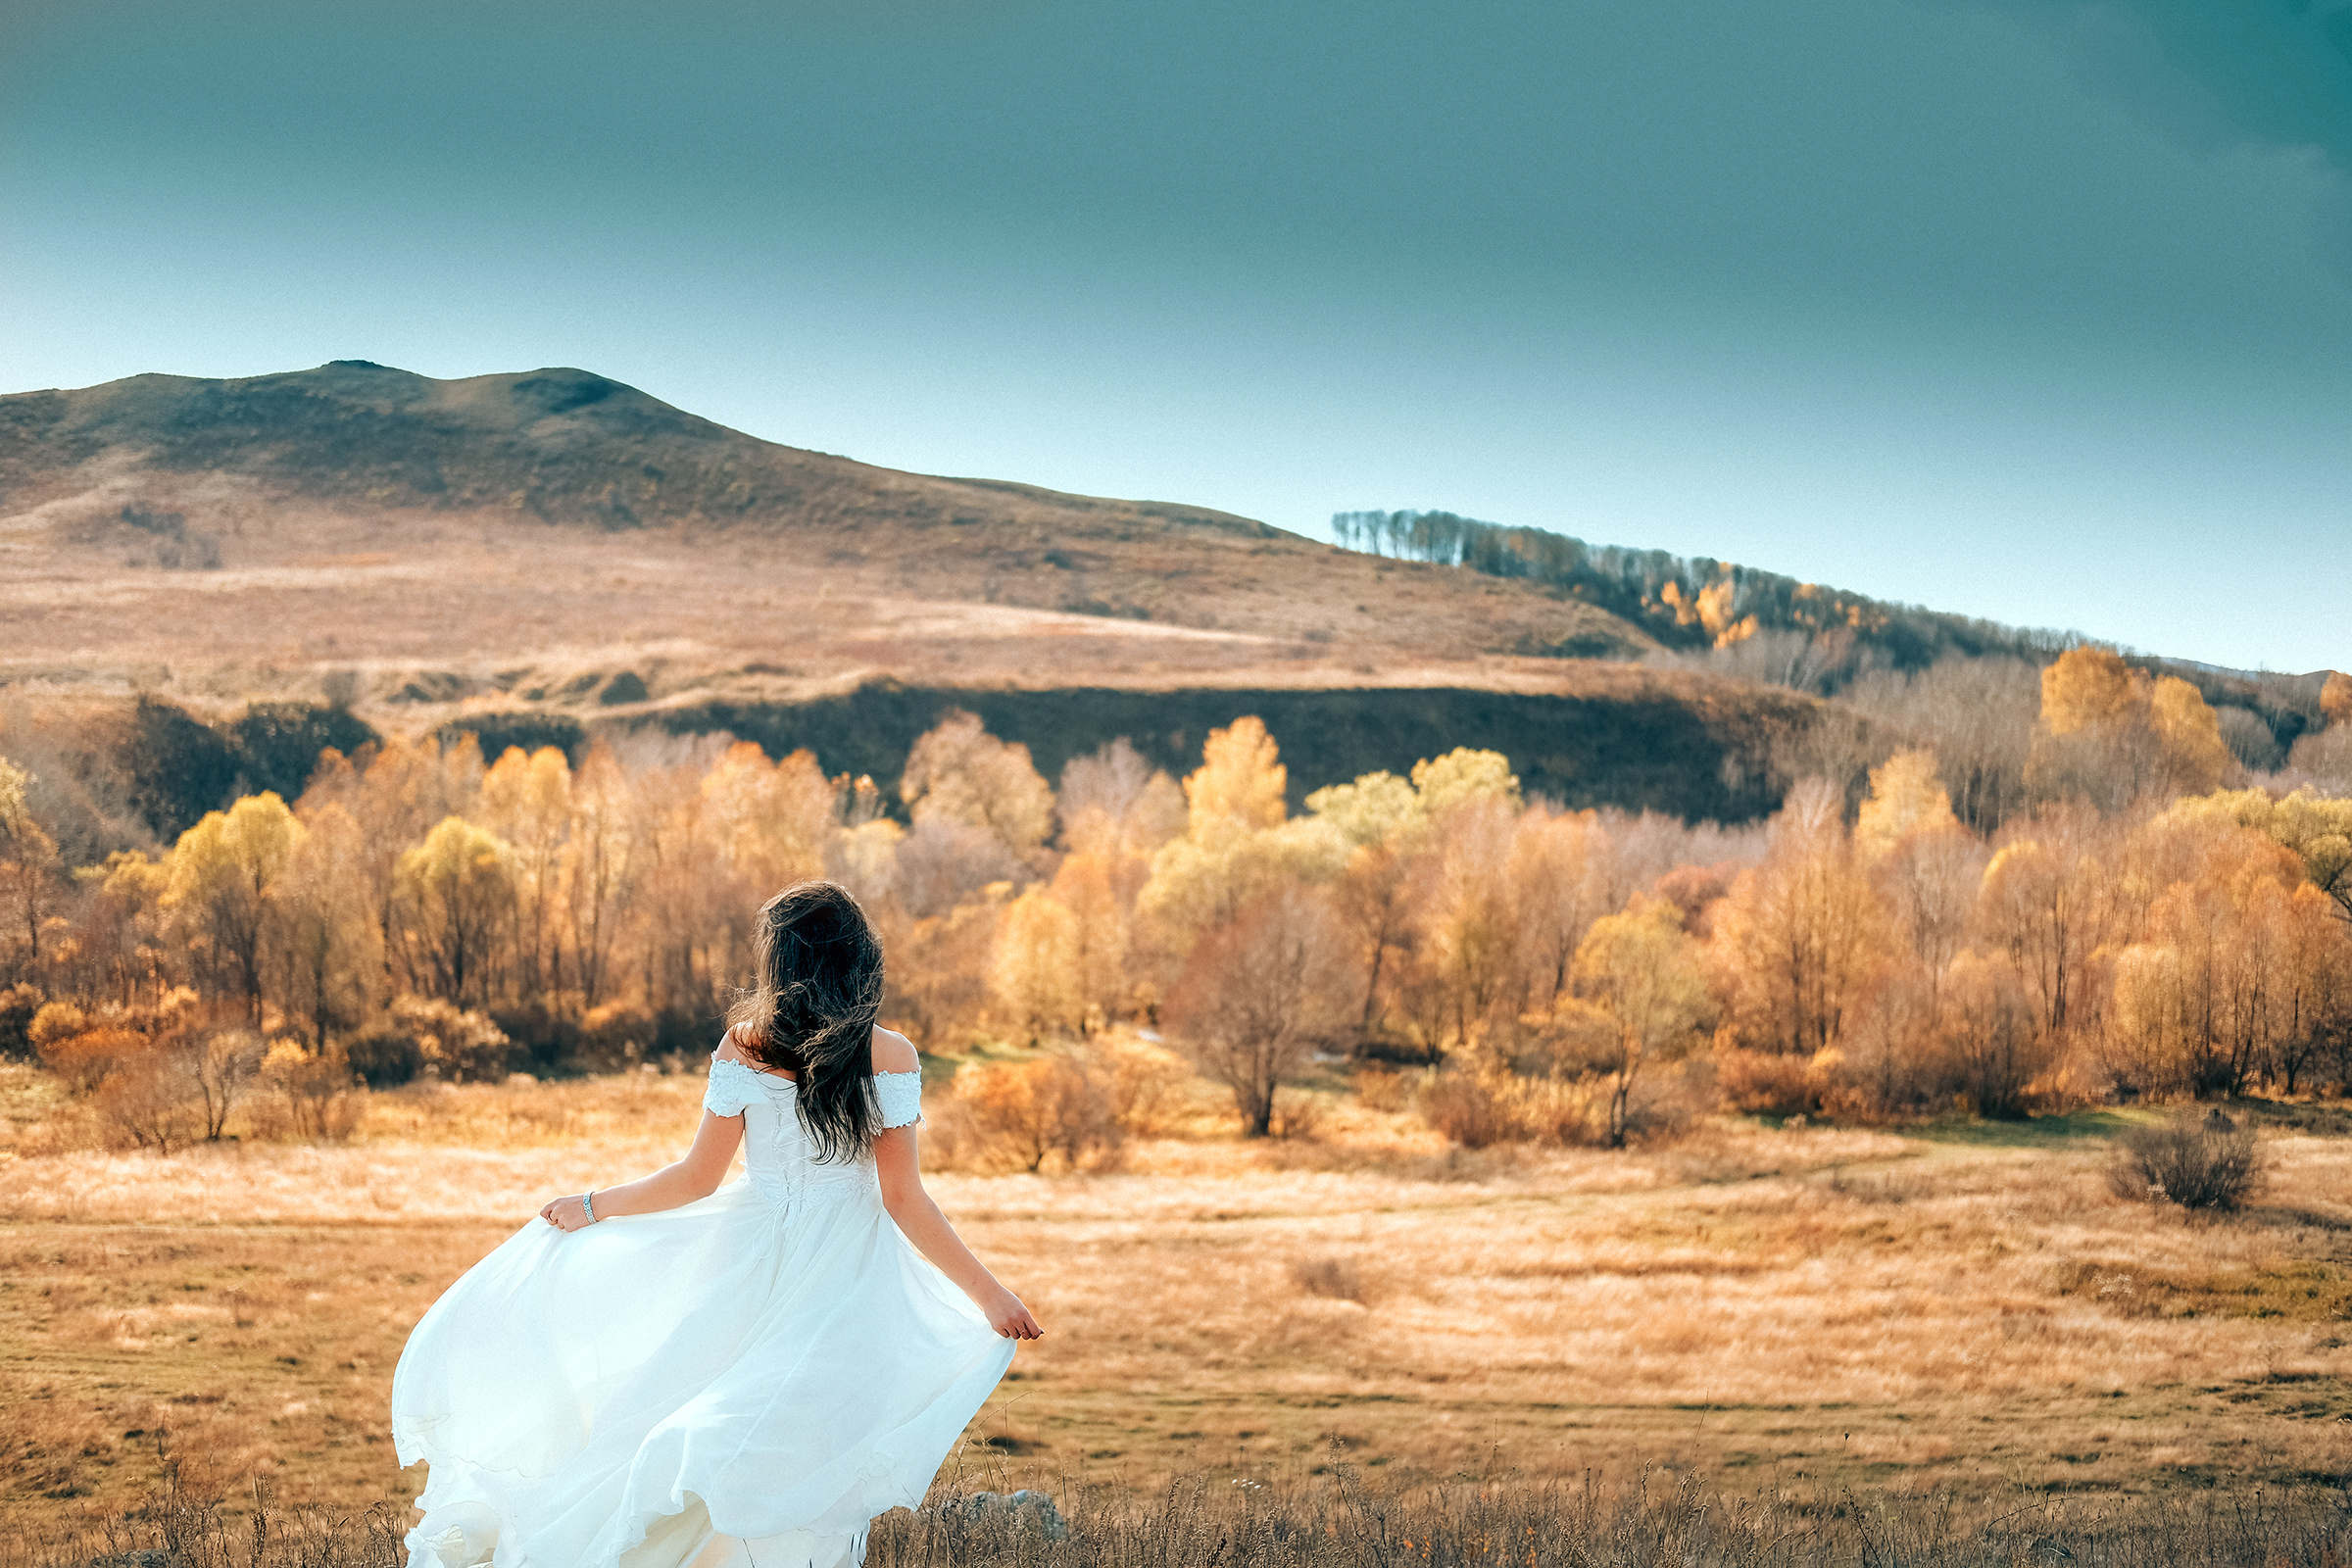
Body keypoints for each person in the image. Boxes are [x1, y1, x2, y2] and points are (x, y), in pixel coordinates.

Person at [392, 881, 1042, 1568]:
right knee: (793, 1434)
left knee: (734, 1420)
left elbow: (696, 1176)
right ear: (858, 958)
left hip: (764, 1257)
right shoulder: (889, 1053)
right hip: (840, 1267)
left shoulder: (746, 1045)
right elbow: (904, 1199)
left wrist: (593, 1205)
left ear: (781, 963)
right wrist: (990, 1294)